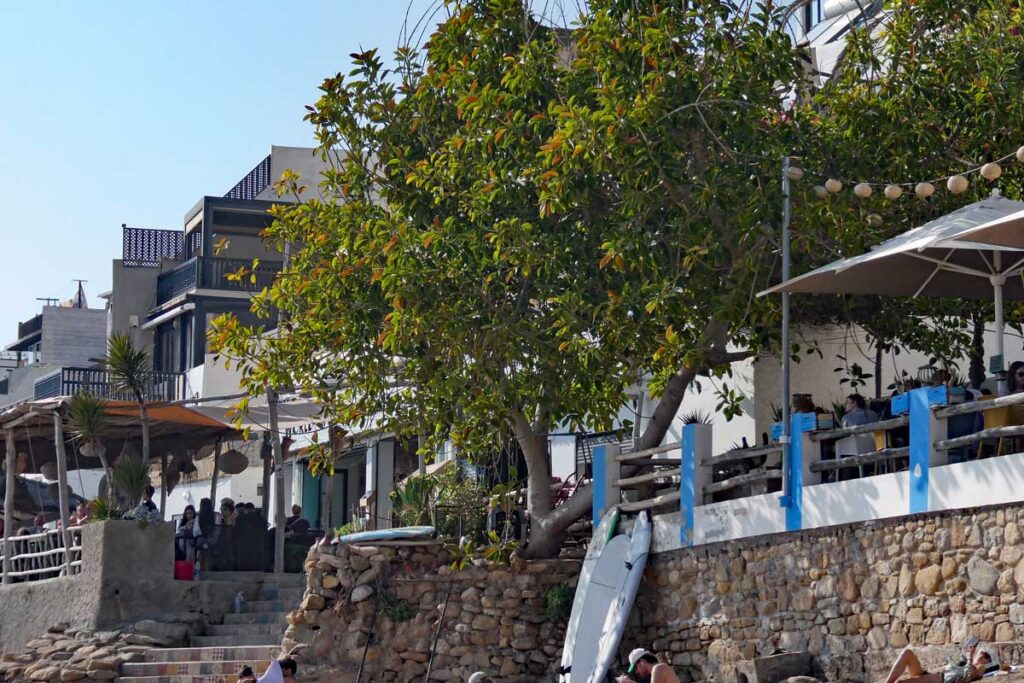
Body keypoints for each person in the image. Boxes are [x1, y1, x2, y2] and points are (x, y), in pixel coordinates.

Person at [883, 642, 999, 683]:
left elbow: (968, 676)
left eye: (986, 656)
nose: (982, 655)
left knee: (900, 682)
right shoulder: (964, 661)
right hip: (931, 674)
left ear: (988, 662)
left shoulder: (980, 668)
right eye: (982, 652)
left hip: (940, 680)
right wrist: (967, 657)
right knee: (907, 653)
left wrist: (970, 656)